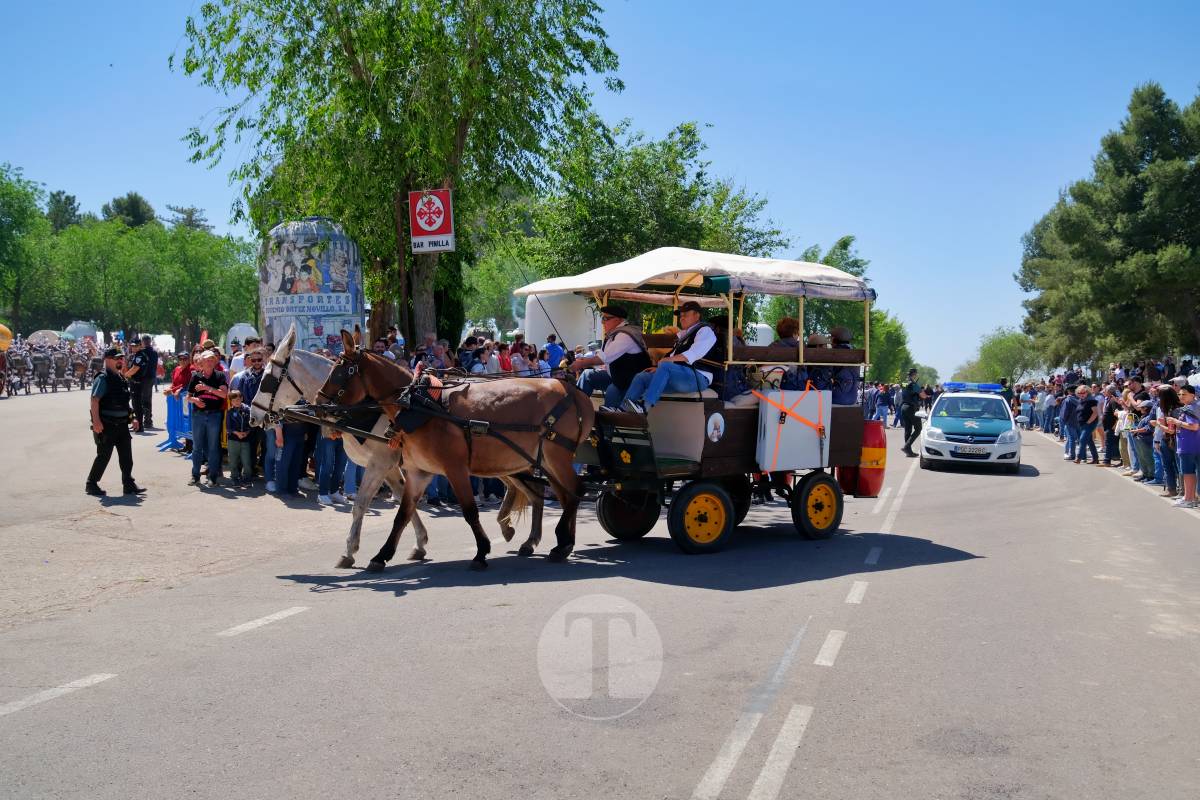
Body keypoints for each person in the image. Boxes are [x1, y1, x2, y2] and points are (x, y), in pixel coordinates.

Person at [622, 300, 720, 415]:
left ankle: (645, 407)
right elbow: (671, 358)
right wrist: (659, 368)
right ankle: (624, 411)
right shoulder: (683, 336)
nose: (682, 318)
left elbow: (694, 353)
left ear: (697, 315)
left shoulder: (705, 331)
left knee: (665, 366)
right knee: (642, 377)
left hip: (698, 377)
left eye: (685, 315)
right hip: (679, 376)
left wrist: (667, 361)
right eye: (681, 316)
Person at [86, 347, 144, 497]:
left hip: (122, 425)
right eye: (116, 358)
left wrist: (133, 418)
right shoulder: (103, 378)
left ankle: (128, 484)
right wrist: (97, 422)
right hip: (107, 425)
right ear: (107, 360)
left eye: (121, 358)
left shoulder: (122, 378)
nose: (120, 360)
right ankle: (91, 484)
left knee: (126, 457)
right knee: (103, 456)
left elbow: (125, 403)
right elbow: (94, 400)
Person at [572, 304, 653, 408]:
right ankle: (576, 409)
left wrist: (582, 363)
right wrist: (582, 360)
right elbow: (603, 357)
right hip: (617, 378)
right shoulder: (614, 334)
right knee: (587, 375)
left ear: (618, 319)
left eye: (606, 319)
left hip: (629, 382)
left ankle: (609, 421)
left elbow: (603, 358)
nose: (602, 322)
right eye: (602, 318)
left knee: (612, 389)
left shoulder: (625, 335)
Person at [186, 351, 228, 488]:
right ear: (201, 362)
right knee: (197, 447)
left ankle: (213, 477)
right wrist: (195, 400)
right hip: (198, 415)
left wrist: (207, 388)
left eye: (212, 359)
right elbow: (188, 396)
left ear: (215, 361)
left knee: (213, 447)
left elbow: (224, 394)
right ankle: (195, 476)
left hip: (214, 415)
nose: (210, 362)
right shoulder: (195, 376)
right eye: (207, 360)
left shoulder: (220, 376)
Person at [225, 390, 253, 486]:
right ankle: (235, 477)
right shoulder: (230, 412)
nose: (236, 402)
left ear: (241, 399)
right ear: (231, 402)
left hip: (245, 440)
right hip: (233, 440)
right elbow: (228, 428)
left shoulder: (247, 410)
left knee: (246, 461)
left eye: (238, 399)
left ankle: (247, 478)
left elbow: (251, 424)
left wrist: (246, 432)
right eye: (234, 400)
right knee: (233, 460)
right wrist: (237, 433)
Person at [899, 368, 928, 457]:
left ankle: (908, 451)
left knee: (908, 430)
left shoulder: (904, 383)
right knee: (918, 428)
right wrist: (923, 392)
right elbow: (923, 396)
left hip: (903, 407)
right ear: (914, 375)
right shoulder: (913, 384)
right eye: (916, 374)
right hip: (911, 408)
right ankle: (907, 446)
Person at [125, 338, 151, 431]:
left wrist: (124, 375)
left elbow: (135, 368)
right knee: (136, 404)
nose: (133, 347)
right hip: (137, 382)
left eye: (136, 346)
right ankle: (137, 424)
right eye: (132, 346)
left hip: (137, 383)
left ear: (140, 346)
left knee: (137, 405)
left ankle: (139, 426)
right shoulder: (138, 355)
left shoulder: (140, 355)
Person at [1073, 384, 1100, 464]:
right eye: (1079, 393)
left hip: (1089, 424)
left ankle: (1079, 458)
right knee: (1089, 441)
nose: (1081, 394)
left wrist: (1088, 422)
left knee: (1082, 439)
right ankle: (1095, 459)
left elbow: (1095, 413)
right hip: (1082, 424)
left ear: (1087, 392)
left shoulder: (1091, 400)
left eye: (1083, 392)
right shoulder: (1080, 401)